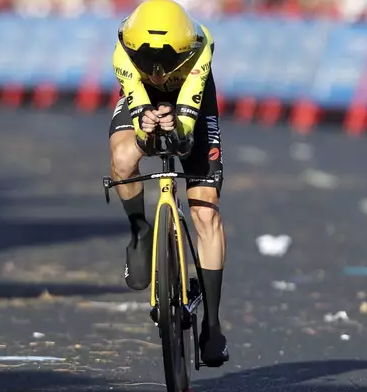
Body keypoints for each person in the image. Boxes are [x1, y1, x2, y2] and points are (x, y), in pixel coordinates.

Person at [108, 0, 228, 368]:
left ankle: (212, 323)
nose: (158, 73)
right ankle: (141, 230)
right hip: (140, 99)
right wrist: (146, 132)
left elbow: (187, 134)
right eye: (149, 64)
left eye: (165, 64)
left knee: (206, 210)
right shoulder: (123, 53)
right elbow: (140, 122)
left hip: (191, 100)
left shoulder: (201, 47)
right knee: (124, 158)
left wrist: (175, 126)